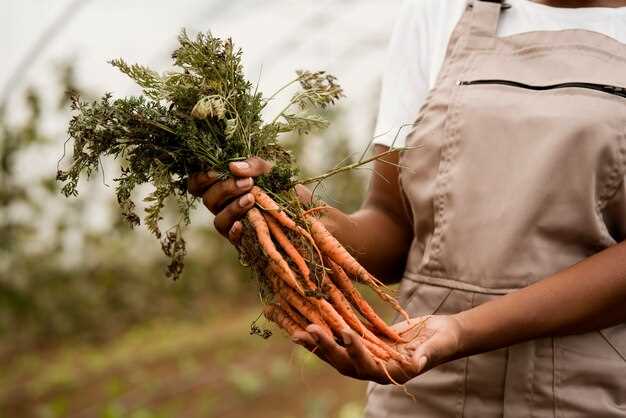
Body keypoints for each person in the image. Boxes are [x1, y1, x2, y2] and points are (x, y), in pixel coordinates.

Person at [188, 0, 626, 415]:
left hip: (583, 394)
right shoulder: (442, 11)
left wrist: (459, 331)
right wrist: (289, 210)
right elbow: (393, 227)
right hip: (418, 388)